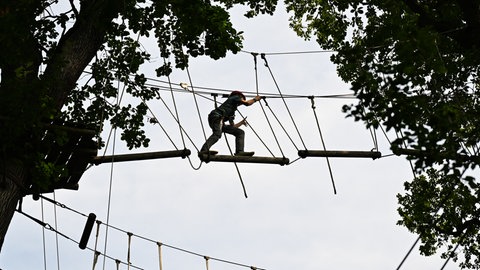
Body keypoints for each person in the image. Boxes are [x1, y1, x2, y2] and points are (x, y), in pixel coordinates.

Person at [199, 91, 263, 156]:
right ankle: (204, 150)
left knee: (240, 132)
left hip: (218, 120)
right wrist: (255, 99)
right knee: (217, 134)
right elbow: (247, 103)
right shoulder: (235, 97)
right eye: (242, 99)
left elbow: (233, 126)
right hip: (216, 117)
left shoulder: (232, 112)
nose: (241, 103)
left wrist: (241, 123)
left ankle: (239, 152)